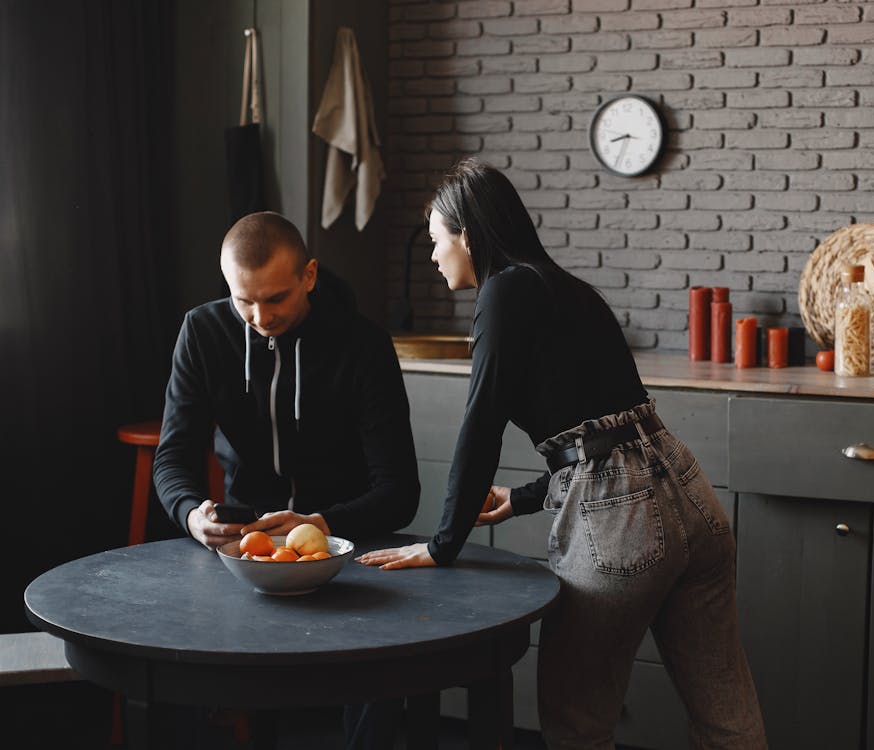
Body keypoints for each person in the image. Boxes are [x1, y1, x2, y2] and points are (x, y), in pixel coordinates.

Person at [356, 160, 768, 748]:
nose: (432, 256)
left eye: (436, 240)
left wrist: (442, 544)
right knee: (726, 716)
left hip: (624, 524)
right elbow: (606, 435)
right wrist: (521, 498)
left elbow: (482, 424)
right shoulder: (568, 287)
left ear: (467, 235)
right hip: (689, 494)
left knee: (578, 725)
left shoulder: (501, 293)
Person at [153, 211, 421, 749]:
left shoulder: (363, 344)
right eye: (243, 300)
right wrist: (191, 515)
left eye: (275, 298)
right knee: (172, 662)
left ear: (310, 276)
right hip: (245, 550)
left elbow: (399, 491)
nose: (259, 317)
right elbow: (173, 459)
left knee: (385, 679)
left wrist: (318, 524)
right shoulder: (203, 332)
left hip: (348, 543)